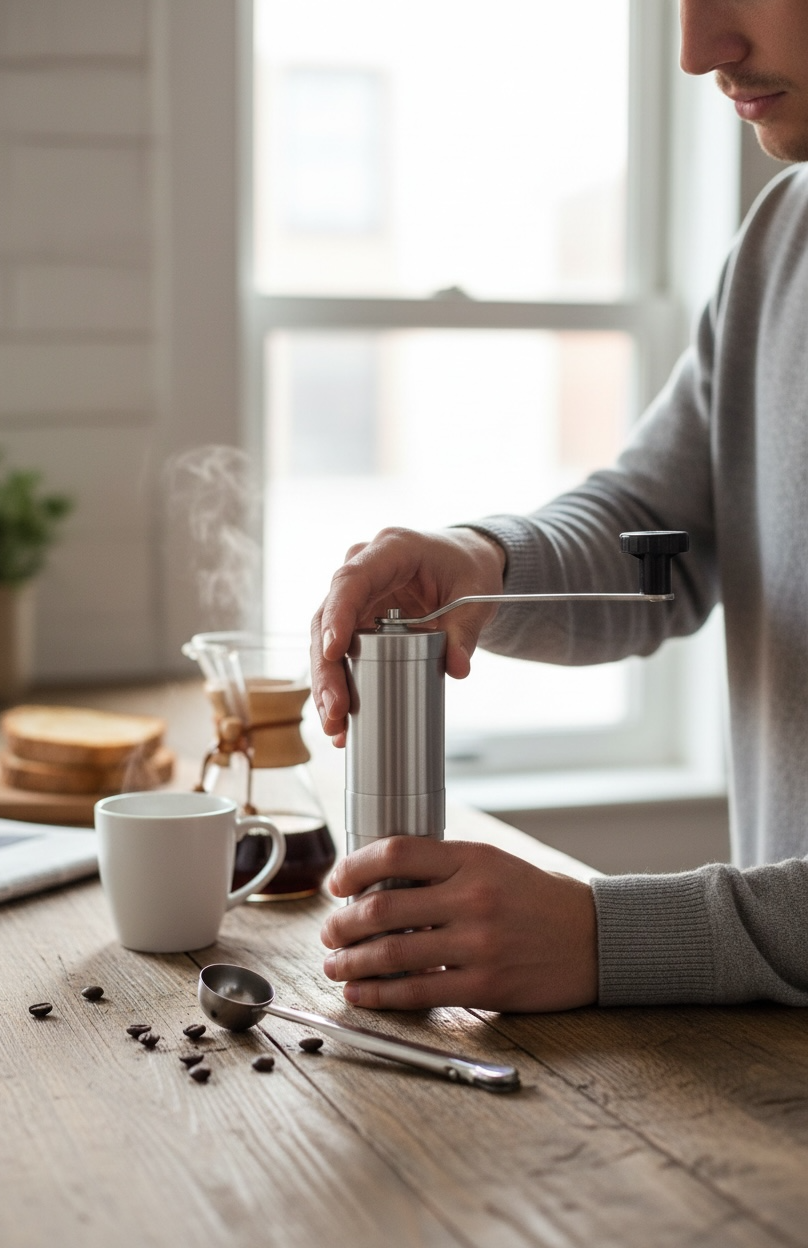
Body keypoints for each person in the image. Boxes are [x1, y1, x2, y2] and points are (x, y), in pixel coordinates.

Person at [311, 0, 808, 1013]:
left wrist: (603, 936)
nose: (695, 50)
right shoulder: (784, 235)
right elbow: (660, 525)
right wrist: (480, 562)